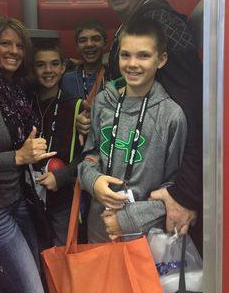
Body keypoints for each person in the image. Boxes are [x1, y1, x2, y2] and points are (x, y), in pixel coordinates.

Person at [76, 0, 202, 242]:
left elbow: (197, 113)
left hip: (148, 216)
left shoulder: (164, 24)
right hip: (105, 215)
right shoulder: (127, 26)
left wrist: (186, 194)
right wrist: (96, 115)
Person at [78, 18, 187, 242]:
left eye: (143, 55)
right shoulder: (102, 102)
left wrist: (128, 218)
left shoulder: (171, 116)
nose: (132, 63)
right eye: (125, 55)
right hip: (99, 229)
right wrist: (94, 181)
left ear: (161, 59)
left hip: (144, 235)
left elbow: (174, 186)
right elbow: (89, 155)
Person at [0, 17, 56, 293]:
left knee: (39, 272)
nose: (13, 50)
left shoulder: (15, 88)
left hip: (19, 199)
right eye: (5, 43)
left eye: (18, 45)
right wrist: (17, 157)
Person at [30, 42, 81, 246]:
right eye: (41, 65)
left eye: (54, 64)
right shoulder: (24, 101)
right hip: (30, 196)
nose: (48, 70)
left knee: (62, 256)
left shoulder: (76, 107)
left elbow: (88, 156)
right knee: (37, 252)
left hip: (61, 196)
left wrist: (61, 176)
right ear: (33, 69)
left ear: (63, 67)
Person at [61, 19, 108, 99]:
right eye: (83, 40)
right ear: (77, 47)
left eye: (96, 39)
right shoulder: (66, 80)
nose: (89, 44)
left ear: (105, 44)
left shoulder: (114, 77)